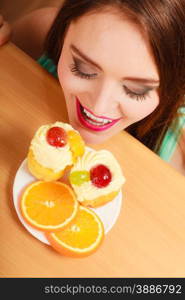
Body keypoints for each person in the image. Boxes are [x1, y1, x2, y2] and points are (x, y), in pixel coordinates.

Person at [0, 0, 185, 174]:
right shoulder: (38, 31)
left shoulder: (178, 148)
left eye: (135, 90)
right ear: (63, 30)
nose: (99, 107)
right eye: (83, 69)